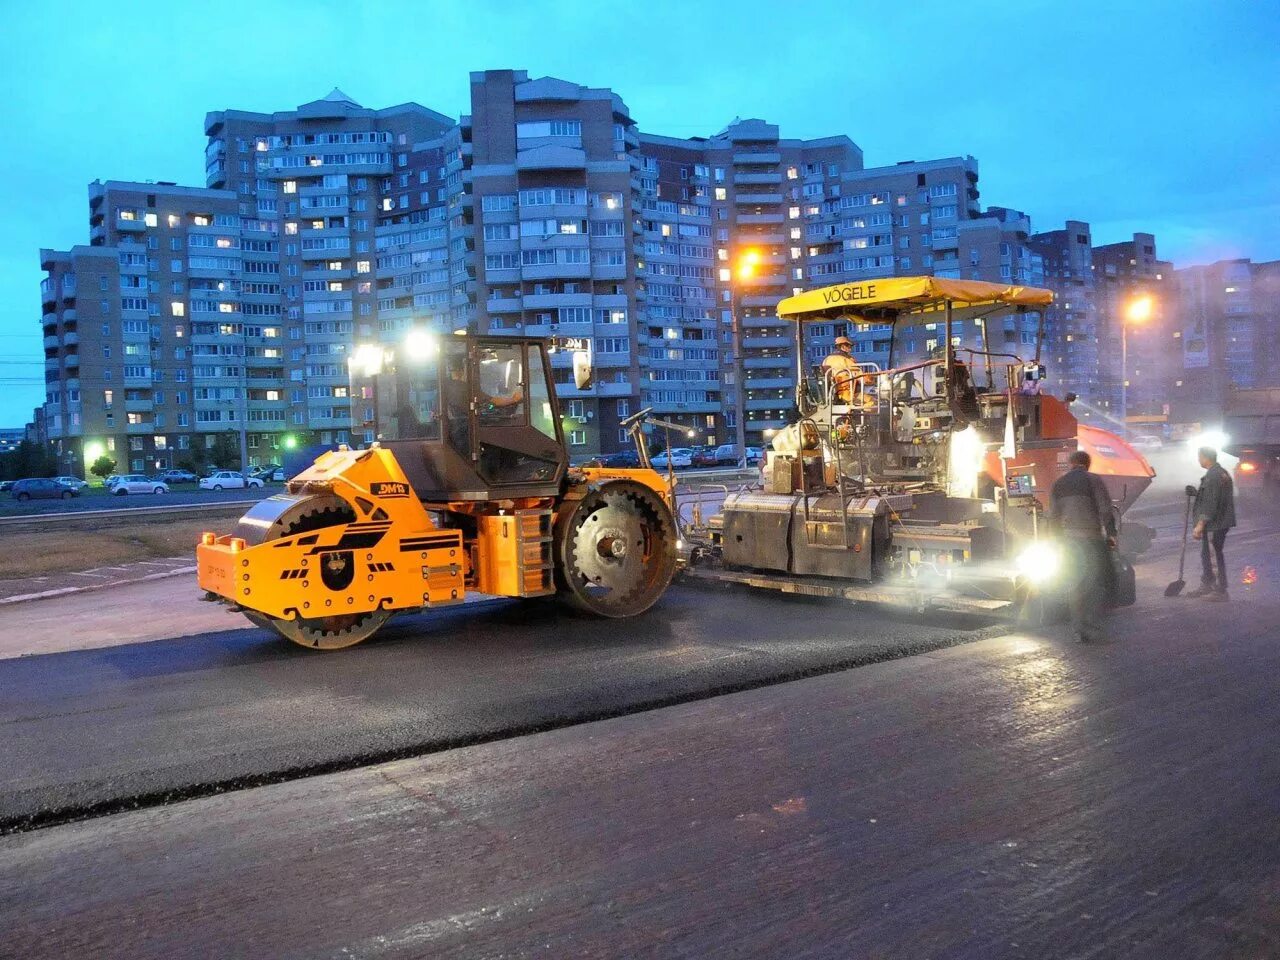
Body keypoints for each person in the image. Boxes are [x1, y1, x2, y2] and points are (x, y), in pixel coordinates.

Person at [1049, 449, 1118, 643]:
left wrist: (1056, 542)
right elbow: (1105, 509)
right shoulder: (1093, 480)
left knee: (1076, 582)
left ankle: (1079, 627)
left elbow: (1053, 517)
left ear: (1071, 463)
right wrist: (1112, 534)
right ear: (1087, 464)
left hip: (1069, 542)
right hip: (1091, 539)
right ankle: (1093, 624)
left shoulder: (1058, 483)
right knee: (1098, 580)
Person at [1188, 446, 1236, 601]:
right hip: (1219, 521)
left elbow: (1211, 503)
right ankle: (1207, 583)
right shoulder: (1220, 473)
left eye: (1199, 456)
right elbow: (1213, 496)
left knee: (1214, 555)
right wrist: (1197, 493)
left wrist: (1200, 524)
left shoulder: (1213, 476)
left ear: (1205, 457)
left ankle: (1220, 591)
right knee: (1207, 554)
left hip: (1215, 524)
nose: (1198, 460)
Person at [821, 336, 873, 409]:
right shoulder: (846, 360)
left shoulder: (826, 360)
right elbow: (861, 377)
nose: (850, 349)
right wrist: (873, 379)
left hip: (832, 395)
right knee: (873, 401)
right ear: (842, 346)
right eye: (849, 346)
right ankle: (864, 419)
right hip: (847, 394)